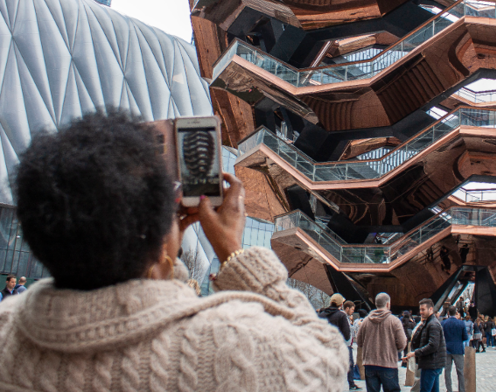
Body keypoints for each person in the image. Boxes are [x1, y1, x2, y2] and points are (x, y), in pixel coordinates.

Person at [0, 111, 348, 391]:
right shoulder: (237, 344)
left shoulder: (7, 328)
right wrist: (233, 252)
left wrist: (164, 248)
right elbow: (328, 359)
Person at [356, 292, 406, 392]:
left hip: (370, 364)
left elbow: (359, 341)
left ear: (376, 304)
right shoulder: (394, 321)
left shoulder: (366, 321)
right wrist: (394, 349)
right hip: (388, 364)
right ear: (387, 304)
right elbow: (402, 343)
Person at [404, 298, 446, 392]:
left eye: (423, 309)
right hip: (432, 363)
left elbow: (433, 345)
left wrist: (415, 353)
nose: (421, 312)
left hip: (431, 364)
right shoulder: (429, 323)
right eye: (420, 309)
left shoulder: (433, 324)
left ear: (430, 309)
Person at [441, 306, 468, 392]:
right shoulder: (461, 323)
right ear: (456, 313)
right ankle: (462, 390)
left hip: (447, 349)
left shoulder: (443, 323)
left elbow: (441, 337)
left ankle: (449, 389)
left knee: (447, 371)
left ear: (448, 313)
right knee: (460, 371)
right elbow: (465, 337)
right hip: (458, 349)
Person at [344, 300, 361, 391]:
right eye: (352, 309)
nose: (353, 311)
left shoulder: (346, 317)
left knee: (350, 364)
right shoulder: (344, 317)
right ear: (347, 308)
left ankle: (351, 383)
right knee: (349, 364)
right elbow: (348, 330)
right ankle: (351, 383)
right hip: (346, 345)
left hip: (347, 345)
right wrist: (356, 326)